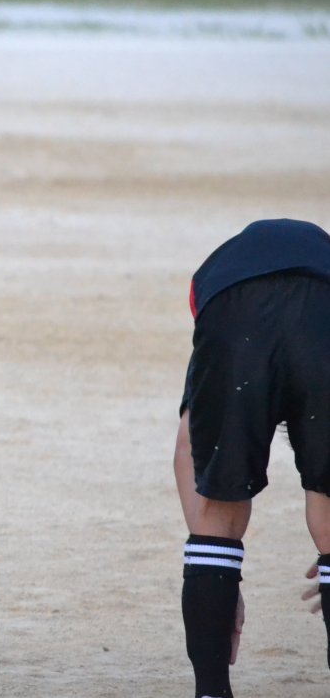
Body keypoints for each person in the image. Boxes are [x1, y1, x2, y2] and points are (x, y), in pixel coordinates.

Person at [172, 218, 330, 698]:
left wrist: (214, 574)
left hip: (234, 309)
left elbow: (188, 446)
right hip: (324, 310)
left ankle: (212, 691)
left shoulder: (214, 286)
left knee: (216, 519)